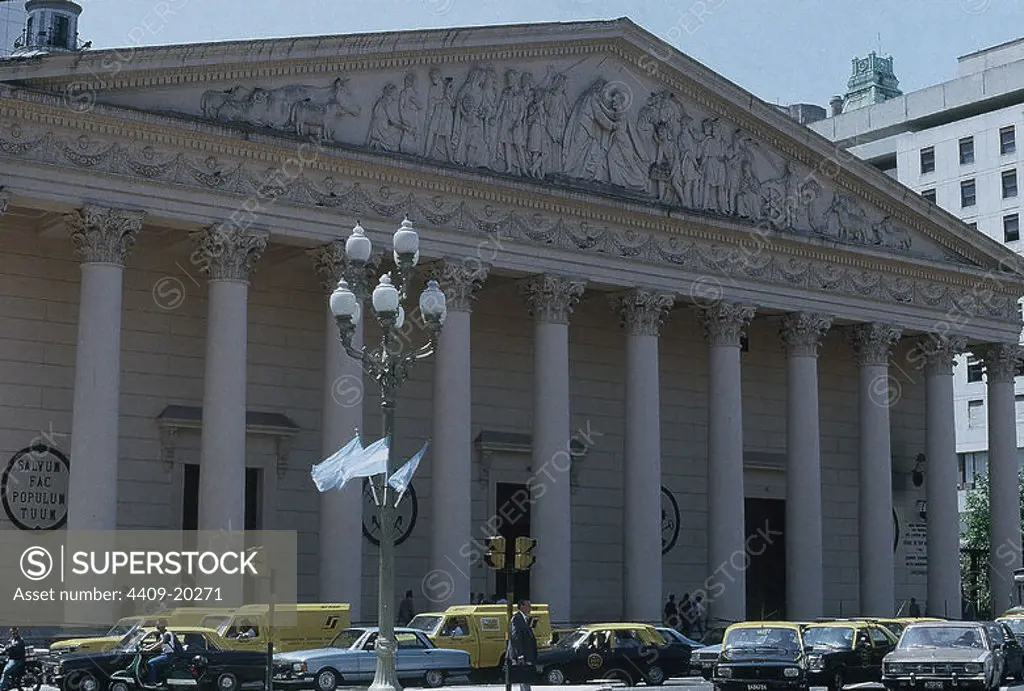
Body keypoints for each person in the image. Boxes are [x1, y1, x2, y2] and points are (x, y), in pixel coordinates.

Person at [508, 600, 538, 691]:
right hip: (523, 654)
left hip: (528, 654)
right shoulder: (517, 618)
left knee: (526, 679)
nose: (530, 608)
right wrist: (520, 654)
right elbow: (516, 637)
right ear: (521, 606)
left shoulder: (526, 619)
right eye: (528, 605)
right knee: (524, 679)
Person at [143, 620, 179, 685]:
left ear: (163, 626)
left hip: (169, 655)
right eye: (157, 625)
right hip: (165, 654)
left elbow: (160, 643)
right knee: (150, 659)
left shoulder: (167, 634)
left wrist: (149, 649)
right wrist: (146, 647)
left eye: (158, 625)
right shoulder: (162, 634)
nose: (157, 626)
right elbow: (156, 643)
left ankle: (152, 682)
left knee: (150, 663)